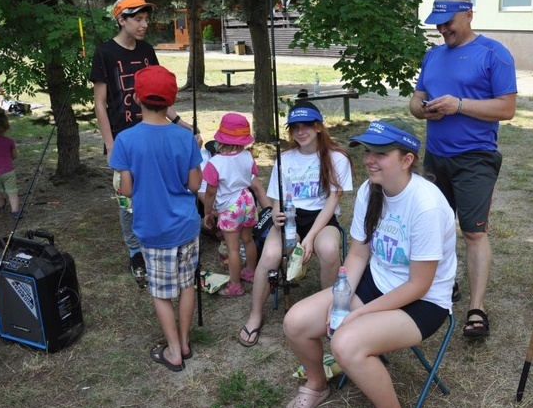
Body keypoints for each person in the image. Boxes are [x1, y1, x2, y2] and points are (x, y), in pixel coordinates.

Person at [282, 120, 456, 408]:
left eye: (381, 153)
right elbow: (360, 251)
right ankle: (317, 384)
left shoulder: (426, 205)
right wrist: (342, 299)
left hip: (423, 302)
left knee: (346, 342)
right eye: (368, 152)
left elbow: (420, 285)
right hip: (376, 283)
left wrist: (356, 315)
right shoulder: (369, 190)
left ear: (407, 160)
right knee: (296, 321)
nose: (370, 160)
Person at [409, 0, 517, 340]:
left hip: (475, 158)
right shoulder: (432, 56)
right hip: (435, 156)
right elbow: (417, 96)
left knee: (473, 231)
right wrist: (420, 108)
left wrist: (459, 105)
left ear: (469, 14)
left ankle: (477, 307)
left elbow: (507, 109)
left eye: (448, 22)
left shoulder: (494, 54)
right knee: (435, 227)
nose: (442, 30)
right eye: (438, 24)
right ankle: (444, 286)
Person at [90, 0, 198, 288]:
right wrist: (110, 143)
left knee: (155, 187)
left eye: (146, 19)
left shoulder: (148, 50)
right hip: (124, 139)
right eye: (138, 19)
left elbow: (159, 94)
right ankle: (136, 251)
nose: (144, 24)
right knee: (127, 198)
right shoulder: (104, 53)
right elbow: (100, 103)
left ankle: (163, 237)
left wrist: (179, 122)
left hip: (154, 132)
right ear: (121, 19)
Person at [108, 65, 202, 372]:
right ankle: (185, 342)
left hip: (154, 230)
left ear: (136, 98)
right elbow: (195, 185)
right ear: (171, 101)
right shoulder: (186, 138)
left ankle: (173, 352)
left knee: (162, 293)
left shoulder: (125, 140)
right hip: (187, 226)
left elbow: (127, 189)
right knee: (187, 285)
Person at [237, 101, 353, 347]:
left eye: (307, 125)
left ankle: (331, 311)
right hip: (289, 217)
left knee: (330, 250)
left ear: (319, 127)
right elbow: (278, 200)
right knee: (268, 256)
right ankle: (255, 315)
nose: (301, 132)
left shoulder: (337, 158)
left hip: (321, 218)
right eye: (295, 127)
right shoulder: (284, 158)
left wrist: (309, 237)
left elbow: (333, 200)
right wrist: (277, 218)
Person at [202, 113, 268, 297]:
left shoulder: (215, 163)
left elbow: (210, 192)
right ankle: (251, 272)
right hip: (247, 201)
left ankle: (235, 284)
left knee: (232, 248)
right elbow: (252, 174)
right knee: (248, 240)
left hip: (230, 207)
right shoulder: (247, 156)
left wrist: (208, 212)